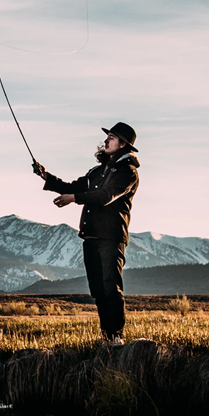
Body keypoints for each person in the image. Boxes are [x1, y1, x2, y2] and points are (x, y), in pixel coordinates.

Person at [32, 122, 140, 346]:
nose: (106, 141)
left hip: (111, 236)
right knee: (98, 290)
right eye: (107, 136)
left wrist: (74, 198)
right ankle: (107, 337)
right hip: (91, 235)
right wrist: (45, 176)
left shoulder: (128, 172)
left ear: (123, 144)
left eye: (111, 137)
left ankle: (117, 337)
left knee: (111, 286)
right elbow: (75, 186)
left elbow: (105, 196)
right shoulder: (97, 171)